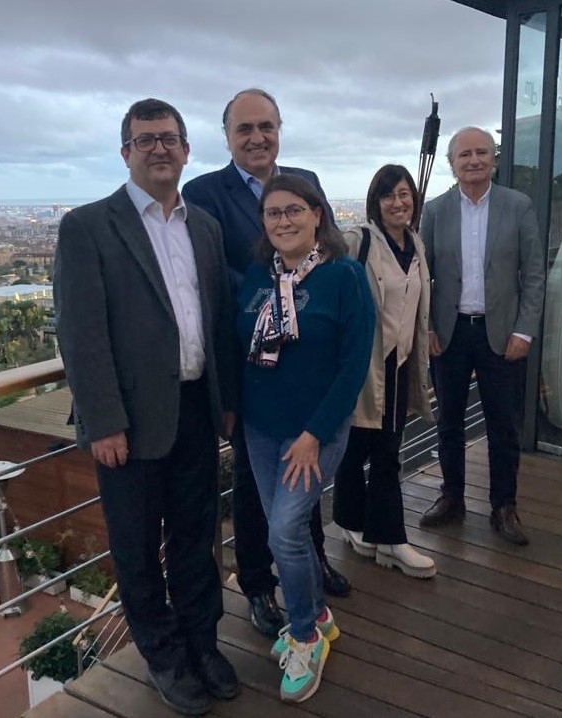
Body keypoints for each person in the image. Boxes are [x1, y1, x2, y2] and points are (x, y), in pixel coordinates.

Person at [54, 98, 239, 716]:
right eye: (145, 139)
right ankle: (163, 656)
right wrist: (103, 419)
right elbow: (81, 334)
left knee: (195, 539)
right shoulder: (88, 227)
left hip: (193, 411)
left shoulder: (203, 226)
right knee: (136, 550)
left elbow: (214, 325)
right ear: (126, 152)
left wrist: (225, 404)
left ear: (187, 149)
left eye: (170, 138)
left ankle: (202, 645)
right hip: (127, 425)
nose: (160, 148)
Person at [182, 88, 350, 641]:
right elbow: (213, 274)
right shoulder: (203, 192)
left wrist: (302, 288)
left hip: (311, 364)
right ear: (226, 135)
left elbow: (325, 252)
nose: (257, 138)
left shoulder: (303, 179)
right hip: (249, 366)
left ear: (280, 129)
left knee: (302, 486)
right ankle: (257, 585)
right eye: (244, 129)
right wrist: (274, 289)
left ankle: (310, 568)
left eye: (266, 127)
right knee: (257, 492)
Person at [236, 174, 374, 702]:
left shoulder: (344, 278)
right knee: (284, 530)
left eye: (294, 210)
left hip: (315, 432)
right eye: (273, 213)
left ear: (318, 215)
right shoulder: (256, 277)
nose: (284, 221)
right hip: (260, 427)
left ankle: (303, 636)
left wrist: (316, 433)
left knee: (286, 533)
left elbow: (353, 365)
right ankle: (317, 613)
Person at [419, 126, 545, 546]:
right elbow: (422, 277)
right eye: (465, 155)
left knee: (504, 426)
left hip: (503, 335)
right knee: (449, 422)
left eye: (481, 152)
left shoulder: (518, 206)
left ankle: (504, 506)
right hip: (450, 334)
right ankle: (451, 496)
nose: (474, 160)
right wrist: (428, 328)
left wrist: (524, 331)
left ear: (493, 158)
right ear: (452, 164)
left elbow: (534, 275)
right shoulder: (435, 211)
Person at [333, 164, 436, 578]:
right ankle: (382, 536)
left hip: (400, 363)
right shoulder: (358, 241)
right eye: (389, 195)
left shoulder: (416, 244)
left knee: (385, 452)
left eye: (405, 194)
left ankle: (367, 528)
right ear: (375, 202)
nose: (399, 202)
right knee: (358, 449)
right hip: (365, 366)